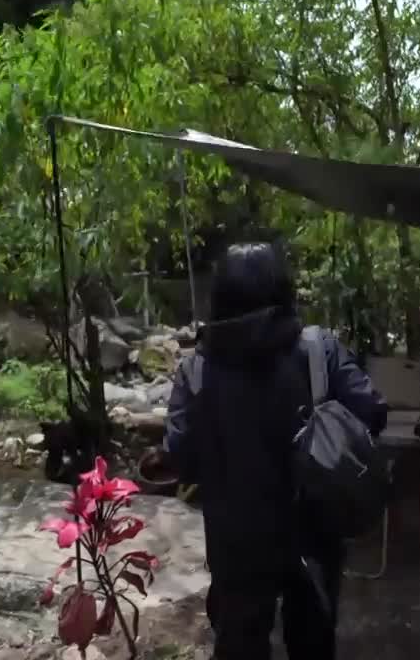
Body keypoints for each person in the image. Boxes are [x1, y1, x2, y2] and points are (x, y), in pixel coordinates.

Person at [141, 241, 387, 660]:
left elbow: (181, 458)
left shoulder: (197, 369)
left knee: (240, 644)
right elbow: (372, 413)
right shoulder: (317, 350)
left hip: (236, 545)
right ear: (284, 290)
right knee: (312, 643)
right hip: (313, 532)